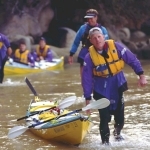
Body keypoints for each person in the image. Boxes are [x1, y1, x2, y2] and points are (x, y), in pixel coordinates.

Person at [82, 27, 148, 145]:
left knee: (120, 115)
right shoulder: (89, 57)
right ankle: (105, 144)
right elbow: (86, 78)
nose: (97, 40)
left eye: (99, 37)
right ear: (91, 41)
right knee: (104, 117)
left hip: (117, 83)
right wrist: (87, 97)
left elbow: (132, 59)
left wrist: (141, 75)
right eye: (94, 38)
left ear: (104, 37)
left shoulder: (117, 47)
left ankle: (117, 134)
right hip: (101, 87)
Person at [68, 8, 109, 77]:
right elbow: (76, 42)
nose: (89, 20)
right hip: (85, 54)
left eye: (91, 18)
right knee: (84, 78)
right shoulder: (83, 28)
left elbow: (107, 43)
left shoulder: (102, 29)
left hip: (98, 55)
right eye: (88, 19)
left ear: (96, 17)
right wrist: (71, 54)